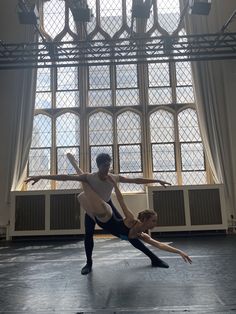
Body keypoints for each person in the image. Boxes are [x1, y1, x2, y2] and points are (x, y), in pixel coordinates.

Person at [25, 156, 192, 272]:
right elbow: (65, 177)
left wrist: (156, 180)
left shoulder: (114, 178)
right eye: (105, 166)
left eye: (109, 166)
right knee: (91, 230)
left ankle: (154, 259)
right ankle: (89, 263)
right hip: (96, 208)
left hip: (107, 207)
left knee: (131, 236)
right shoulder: (90, 177)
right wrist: (42, 176)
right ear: (99, 166)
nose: (107, 169)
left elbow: (136, 181)